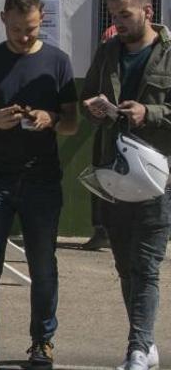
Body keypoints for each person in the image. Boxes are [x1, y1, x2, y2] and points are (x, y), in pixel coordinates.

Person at [0, 0, 78, 370]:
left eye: (30, 28)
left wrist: (51, 120)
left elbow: (72, 124)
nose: (24, 36)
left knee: (43, 267)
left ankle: (42, 343)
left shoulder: (57, 62)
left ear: (41, 18)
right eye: (16, 29)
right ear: (2, 19)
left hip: (42, 181)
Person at [80, 0, 171, 370]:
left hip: (155, 177)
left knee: (146, 265)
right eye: (114, 14)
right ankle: (145, 343)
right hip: (114, 176)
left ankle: (137, 348)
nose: (118, 21)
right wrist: (95, 109)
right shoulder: (107, 52)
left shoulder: (169, 54)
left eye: (126, 14)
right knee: (124, 265)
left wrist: (146, 113)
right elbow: (87, 99)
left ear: (148, 11)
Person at [81, 23, 119, 251]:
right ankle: (102, 229)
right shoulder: (104, 59)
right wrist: (92, 108)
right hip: (106, 129)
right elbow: (88, 93)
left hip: (140, 134)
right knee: (101, 177)